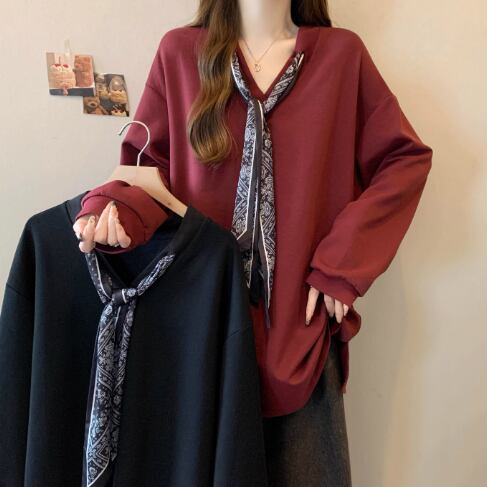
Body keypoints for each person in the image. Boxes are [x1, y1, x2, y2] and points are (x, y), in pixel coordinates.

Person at [73, 1, 433, 485]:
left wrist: (343, 264)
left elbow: (404, 160)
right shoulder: (181, 54)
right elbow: (147, 170)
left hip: (301, 338)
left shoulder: (341, 56)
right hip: (199, 334)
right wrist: (113, 209)